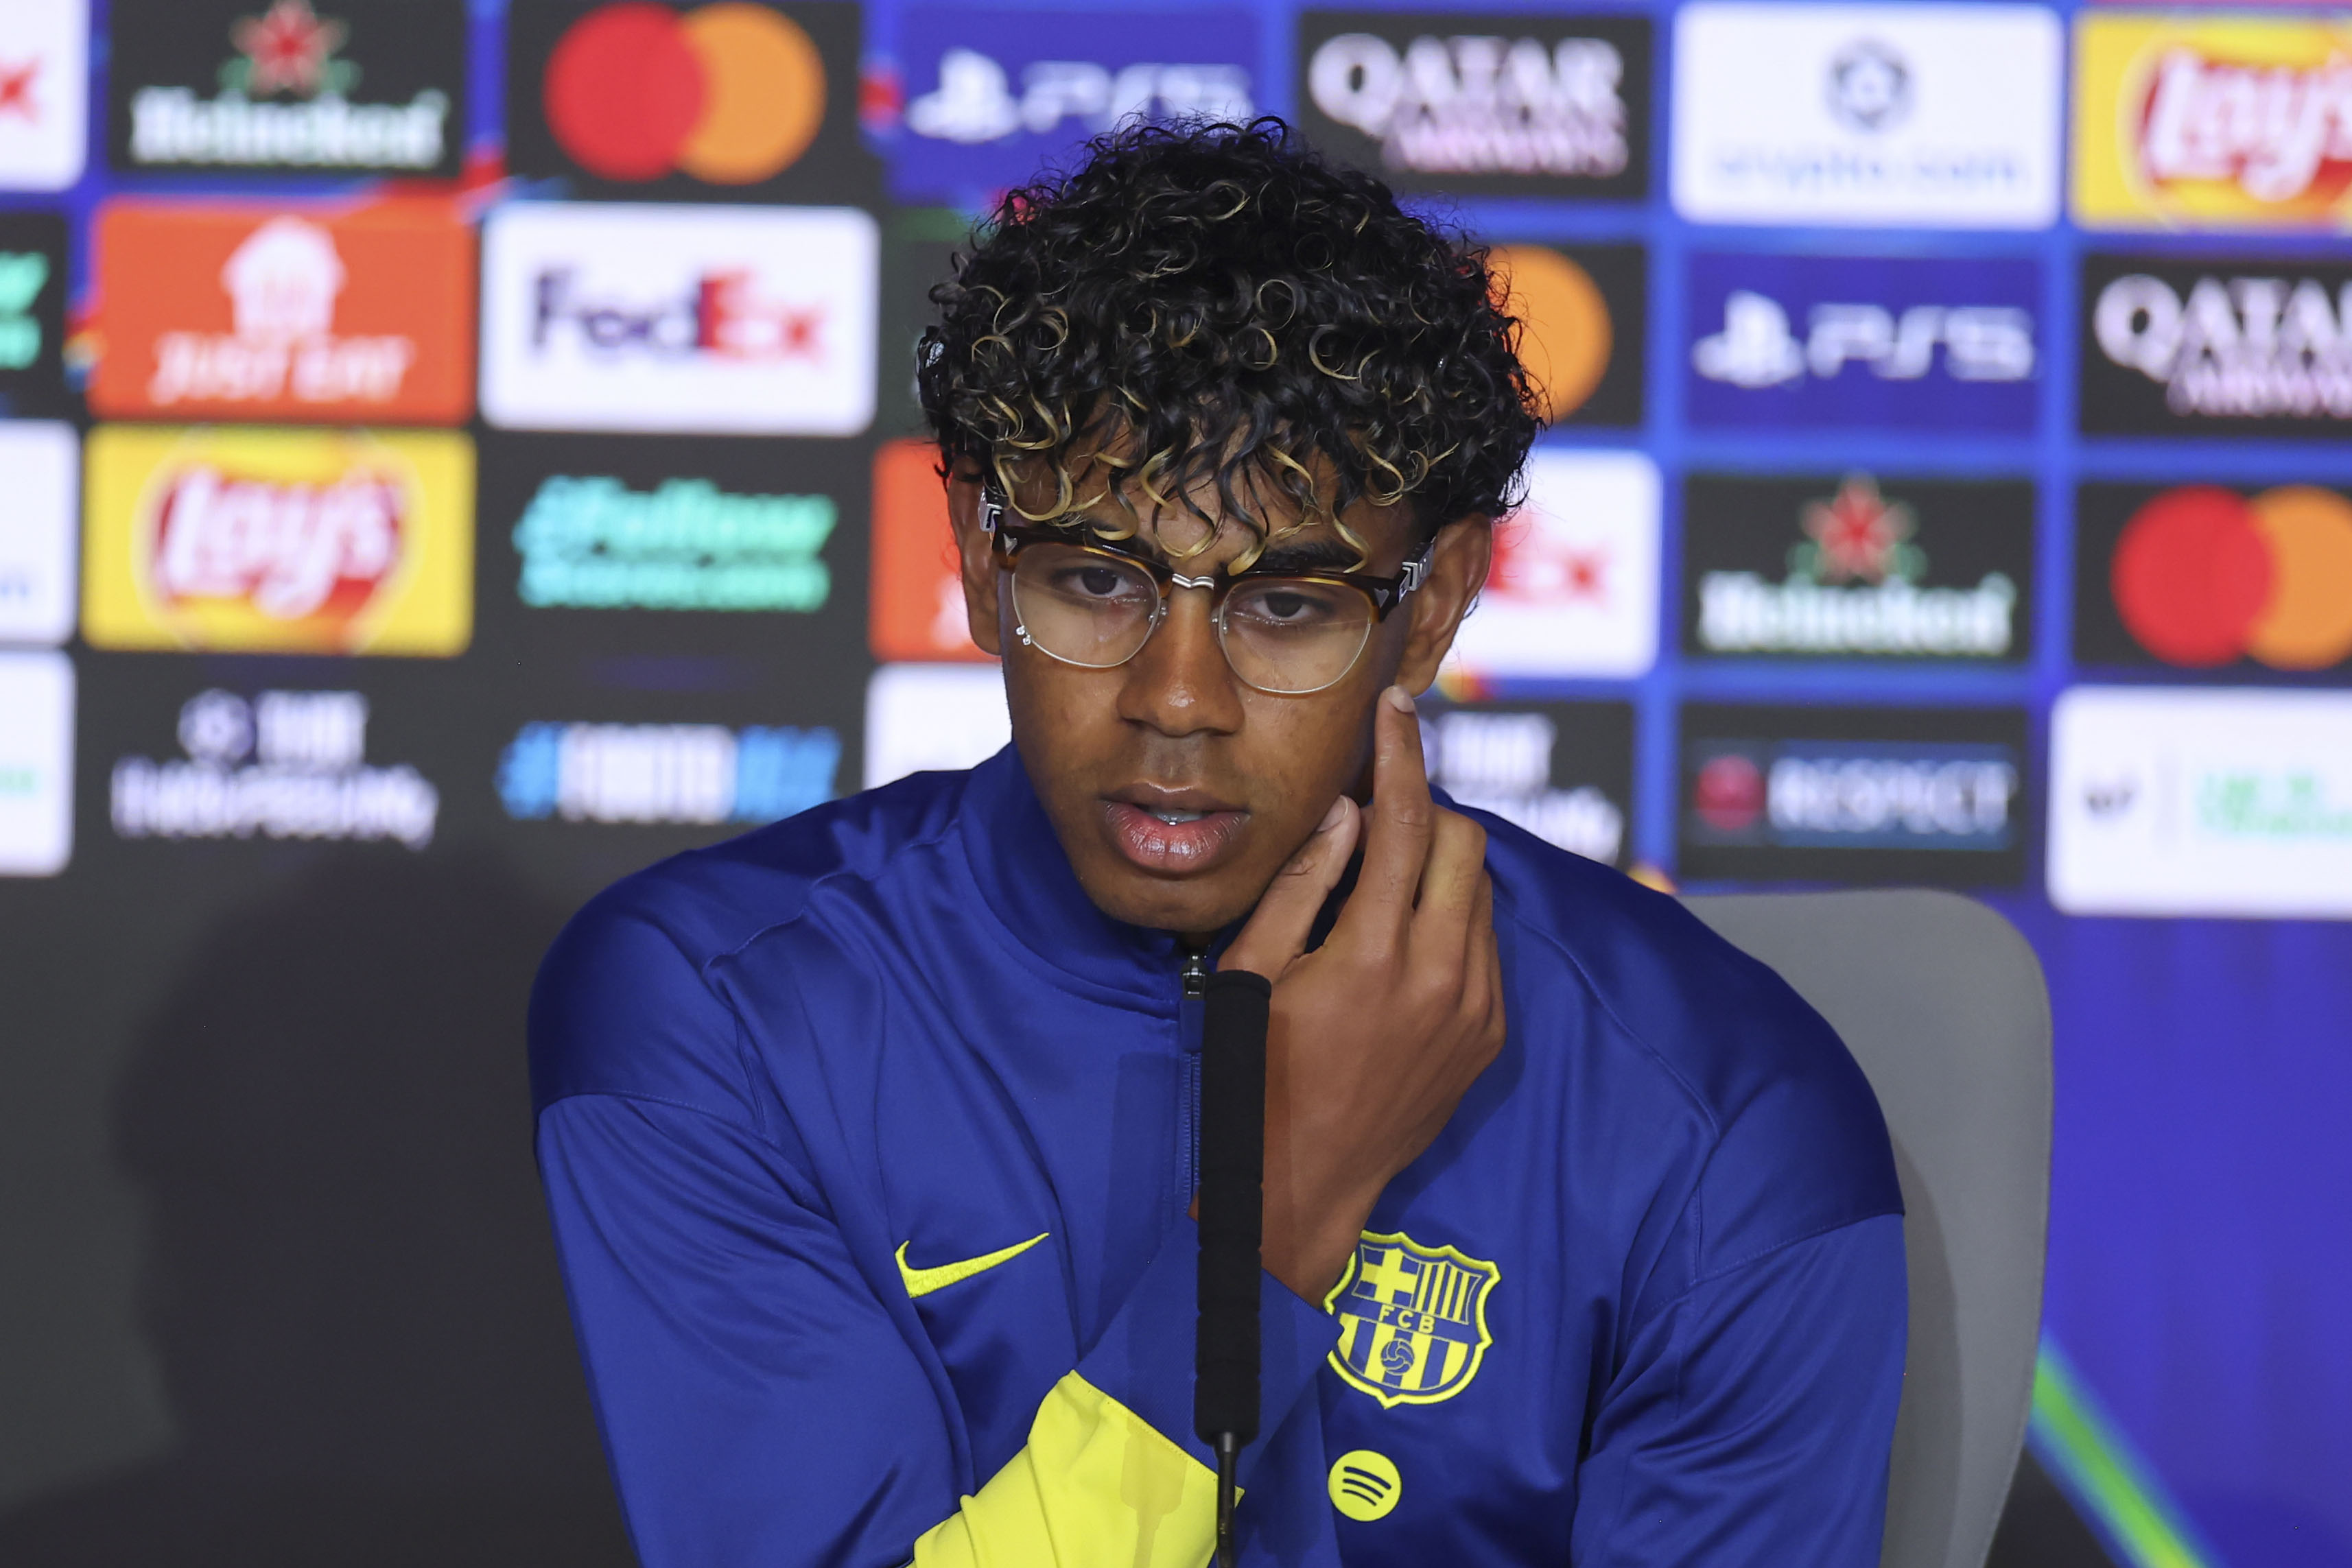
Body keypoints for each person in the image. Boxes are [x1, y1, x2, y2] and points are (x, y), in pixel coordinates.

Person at [530, 119, 1906, 1567]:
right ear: (983, 561)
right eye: (1093, 580)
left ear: (1432, 607)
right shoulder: (720, 1010)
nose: (1176, 699)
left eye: (1287, 605)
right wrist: (1275, 1224)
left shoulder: (1723, 1110)